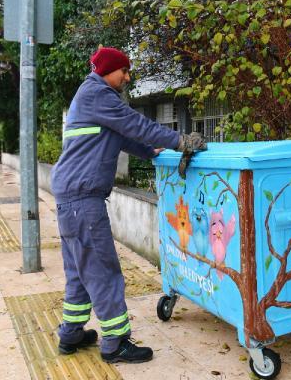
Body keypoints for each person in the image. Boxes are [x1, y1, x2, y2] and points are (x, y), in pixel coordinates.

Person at [50, 47, 206, 364]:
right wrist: (180, 142)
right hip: (83, 199)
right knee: (103, 271)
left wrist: (152, 152)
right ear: (109, 69)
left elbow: (122, 136)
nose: (127, 77)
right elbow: (135, 124)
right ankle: (115, 343)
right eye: (124, 70)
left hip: (71, 198)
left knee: (80, 270)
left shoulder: (90, 97)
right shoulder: (99, 94)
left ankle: (71, 334)